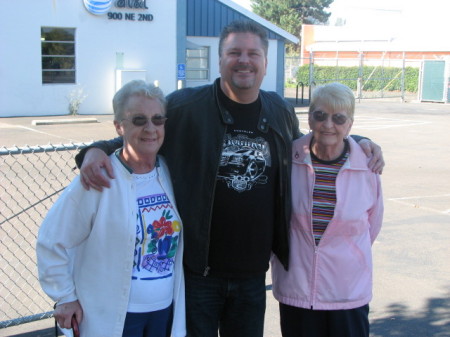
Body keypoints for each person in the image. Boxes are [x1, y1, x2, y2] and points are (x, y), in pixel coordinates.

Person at [74, 21, 384, 337]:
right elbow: (144, 131)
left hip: (253, 275)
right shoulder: (187, 106)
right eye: (234, 52)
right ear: (220, 59)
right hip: (198, 274)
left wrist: (355, 140)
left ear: (265, 64)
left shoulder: (277, 109)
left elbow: (307, 145)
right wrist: (97, 149)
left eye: (253, 53)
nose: (244, 60)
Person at [36, 80, 185, 337]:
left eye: (157, 119)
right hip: (112, 316)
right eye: (139, 120)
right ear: (119, 126)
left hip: (163, 312)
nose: (150, 128)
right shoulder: (98, 179)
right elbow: (52, 241)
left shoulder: (171, 173)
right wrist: (64, 297)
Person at [271, 82, 384, 337]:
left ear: (350, 124)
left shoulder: (367, 166)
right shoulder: (290, 158)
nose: (328, 124)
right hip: (297, 290)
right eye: (320, 115)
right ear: (309, 118)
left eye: (338, 118)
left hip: (347, 291)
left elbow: (372, 224)